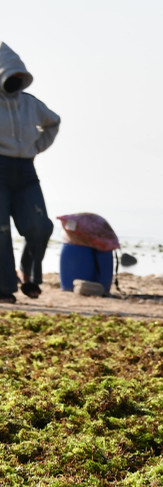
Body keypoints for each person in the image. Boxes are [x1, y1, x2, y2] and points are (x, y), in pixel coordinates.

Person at [0, 43, 58, 304]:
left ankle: (28, 272)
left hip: (25, 172)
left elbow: (53, 122)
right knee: (0, 230)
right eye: (9, 77)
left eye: (18, 77)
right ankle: (4, 287)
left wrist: (36, 146)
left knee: (40, 226)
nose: (14, 81)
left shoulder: (30, 104)